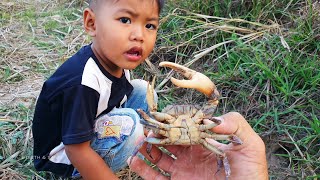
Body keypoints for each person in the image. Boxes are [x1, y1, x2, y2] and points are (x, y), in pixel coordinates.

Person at [32, 0, 164, 179]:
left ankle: (131, 149)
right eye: (125, 20)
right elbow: (76, 150)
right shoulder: (84, 83)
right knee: (132, 125)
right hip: (65, 155)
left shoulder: (116, 59)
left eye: (149, 25)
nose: (139, 35)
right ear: (92, 23)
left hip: (93, 121)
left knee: (144, 91)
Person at [129, 112, 269, 180]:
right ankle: (133, 154)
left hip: (198, 139)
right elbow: (149, 118)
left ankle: (226, 173)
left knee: (222, 154)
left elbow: (221, 129)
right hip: (174, 139)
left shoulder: (202, 130)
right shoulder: (166, 126)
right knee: (146, 139)